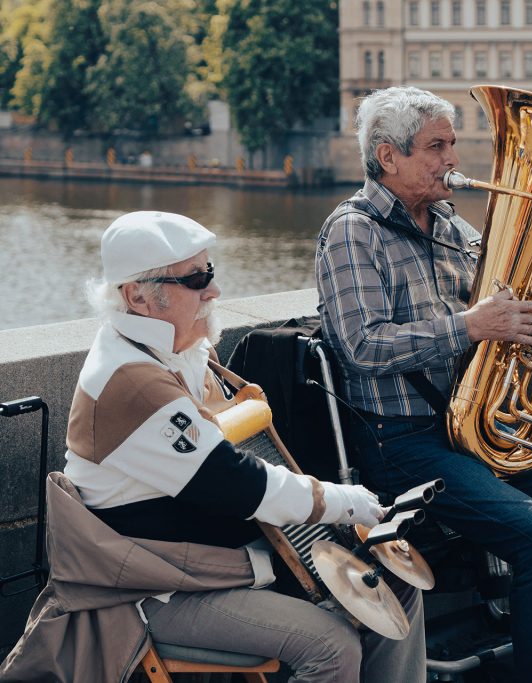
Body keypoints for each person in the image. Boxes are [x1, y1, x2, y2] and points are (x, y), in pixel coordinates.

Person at [315, 85, 532, 683]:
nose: (452, 160)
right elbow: (361, 346)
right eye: (436, 148)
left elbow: (503, 302)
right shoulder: (351, 233)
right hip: (400, 440)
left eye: (452, 144)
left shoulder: (452, 225)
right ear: (388, 157)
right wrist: (471, 326)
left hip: (474, 425)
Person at [55, 211, 425, 682]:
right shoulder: (130, 381)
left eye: (210, 272)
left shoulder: (173, 350)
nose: (213, 290)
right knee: (331, 646)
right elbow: (235, 482)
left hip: (216, 562)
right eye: (195, 279)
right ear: (138, 297)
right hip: (154, 590)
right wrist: (344, 502)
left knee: (397, 585)